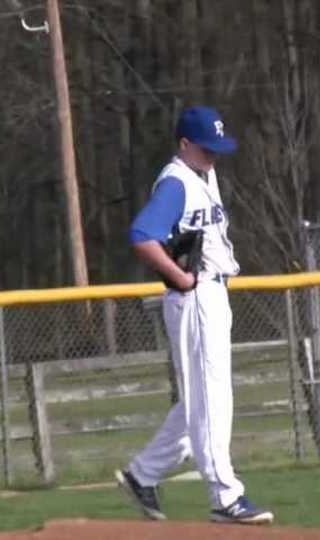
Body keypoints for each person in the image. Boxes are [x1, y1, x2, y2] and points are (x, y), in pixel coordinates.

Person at [115, 106, 273, 525]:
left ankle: (142, 475)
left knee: (197, 403)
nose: (213, 156)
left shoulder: (203, 174)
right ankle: (225, 496)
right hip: (197, 295)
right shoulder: (176, 183)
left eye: (217, 149)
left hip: (211, 294)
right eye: (205, 149)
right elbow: (142, 237)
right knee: (212, 402)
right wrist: (179, 278)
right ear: (184, 145)